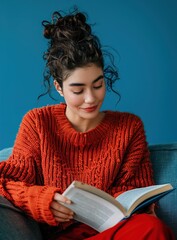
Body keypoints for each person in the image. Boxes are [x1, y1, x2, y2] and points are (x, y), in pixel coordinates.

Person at [0, 8, 175, 240]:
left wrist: (138, 207)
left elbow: (134, 190)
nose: (91, 98)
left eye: (98, 84)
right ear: (59, 87)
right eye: (78, 89)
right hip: (62, 235)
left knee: (154, 228)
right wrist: (44, 200)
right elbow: (7, 181)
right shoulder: (38, 123)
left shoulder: (129, 127)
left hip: (116, 232)